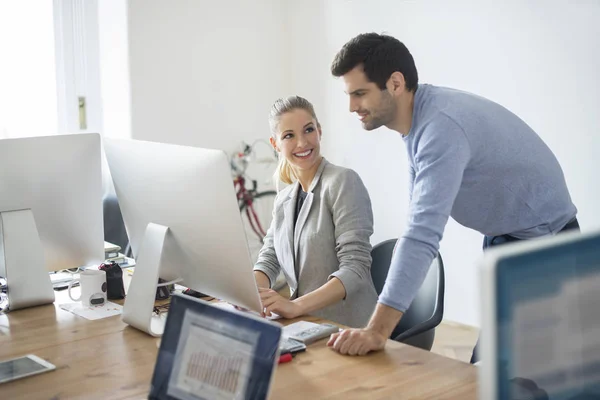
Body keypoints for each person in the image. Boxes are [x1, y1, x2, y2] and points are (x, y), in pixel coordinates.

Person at [326, 33, 579, 360]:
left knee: (505, 375)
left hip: (546, 248)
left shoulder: (440, 128)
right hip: (509, 240)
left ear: (396, 83)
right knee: (490, 370)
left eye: (360, 93)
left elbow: (421, 236)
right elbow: (418, 220)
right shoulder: (420, 121)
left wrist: (376, 331)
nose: (351, 107)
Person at [252, 95, 378, 328]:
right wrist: (250, 295)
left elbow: (356, 269)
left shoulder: (343, 182)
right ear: (275, 144)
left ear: (319, 131)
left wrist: (295, 306)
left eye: (308, 130)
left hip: (347, 327)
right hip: (306, 324)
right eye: (289, 135)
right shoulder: (284, 199)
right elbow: (269, 258)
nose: (302, 143)